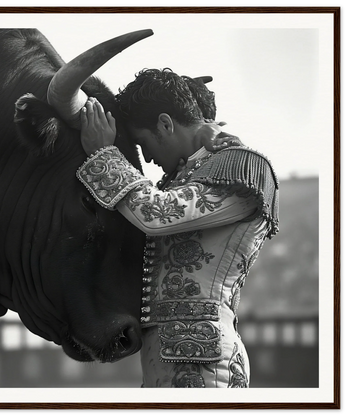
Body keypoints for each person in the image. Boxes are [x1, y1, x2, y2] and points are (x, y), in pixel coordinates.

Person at [76, 68, 279, 388]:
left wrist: (104, 154)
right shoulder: (188, 176)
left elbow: (155, 214)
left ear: (165, 123)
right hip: (171, 361)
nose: (147, 158)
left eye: (142, 142)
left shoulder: (243, 167)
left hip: (205, 364)